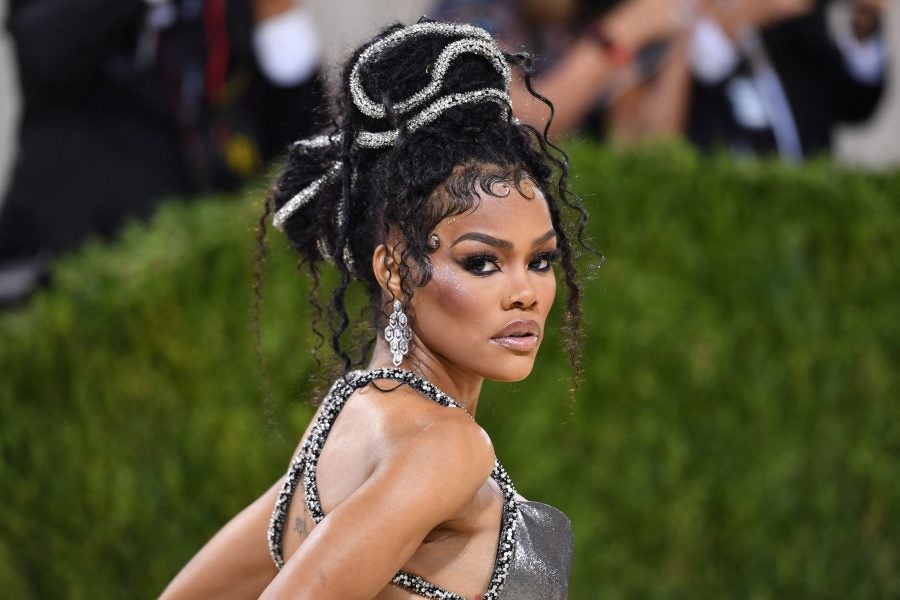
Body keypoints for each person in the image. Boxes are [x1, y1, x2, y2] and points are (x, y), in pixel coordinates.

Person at [160, 18, 592, 600]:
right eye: (482, 262)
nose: (526, 292)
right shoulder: (447, 446)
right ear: (393, 270)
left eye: (540, 260)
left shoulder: (347, 412)